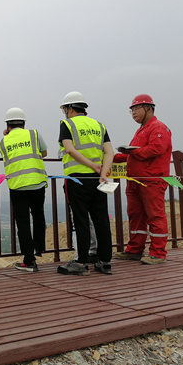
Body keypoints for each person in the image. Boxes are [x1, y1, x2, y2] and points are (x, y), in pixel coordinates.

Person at [56, 91, 114, 276]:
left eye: (65, 109)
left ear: (69, 108)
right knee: (101, 220)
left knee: (80, 219)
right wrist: (102, 172)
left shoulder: (67, 124)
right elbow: (109, 152)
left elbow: (69, 150)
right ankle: (105, 262)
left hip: (77, 179)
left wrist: (91, 165)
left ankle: (81, 263)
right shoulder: (99, 125)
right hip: (98, 179)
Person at [113, 94, 172, 264]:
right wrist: (110, 158)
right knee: (136, 215)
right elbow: (132, 154)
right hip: (135, 180)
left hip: (152, 180)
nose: (133, 113)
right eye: (131, 110)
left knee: (155, 216)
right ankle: (135, 249)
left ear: (148, 108)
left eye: (136, 109)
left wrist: (131, 151)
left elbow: (155, 149)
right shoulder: (142, 129)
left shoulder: (158, 127)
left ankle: (158, 253)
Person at [0, 108, 48, 272]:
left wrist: (7, 135)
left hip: (17, 185)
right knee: (38, 215)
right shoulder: (34, 134)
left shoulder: (2, 143)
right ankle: (39, 247)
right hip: (37, 182)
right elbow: (44, 153)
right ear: (24, 123)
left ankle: (29, 260)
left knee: (23, 222)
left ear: (7, 125)